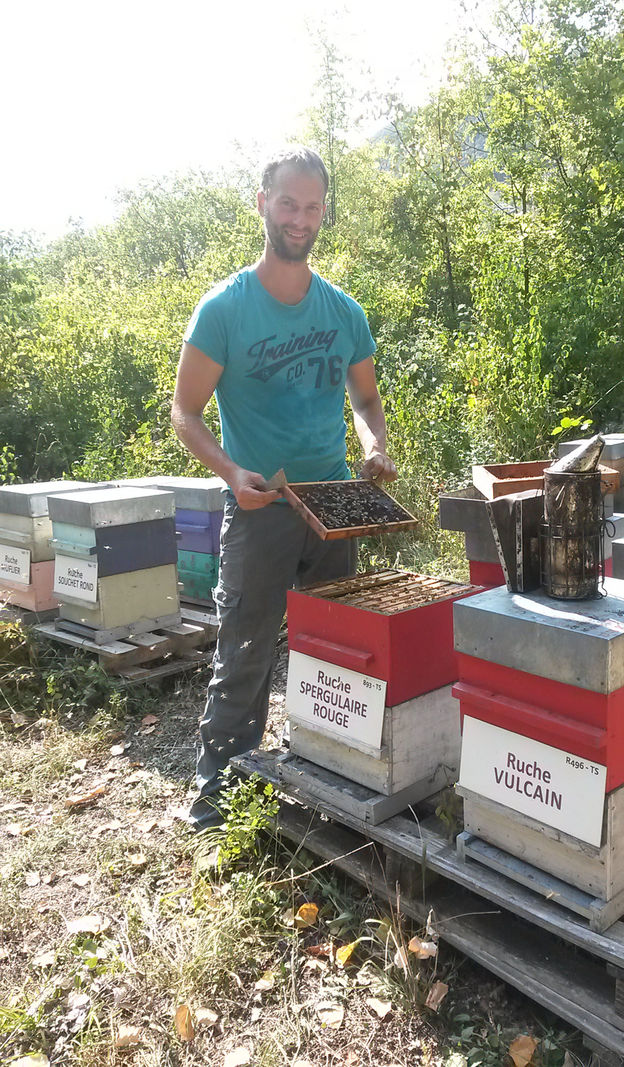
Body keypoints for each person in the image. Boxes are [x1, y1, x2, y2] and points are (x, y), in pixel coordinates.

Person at [171, 145, 397, 829]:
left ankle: (327, 774)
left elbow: (364, 400)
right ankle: (218, 797)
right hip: (261, 506)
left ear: (324, 212)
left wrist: (376, 445)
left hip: (333, 506)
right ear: (262, 203)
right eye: (288, 203)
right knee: (244, 646)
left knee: (337, 650)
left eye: (312, 206)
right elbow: (185, 410)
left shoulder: (344, 311)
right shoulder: (225, 309)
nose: (300, 218)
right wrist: (230, 473)